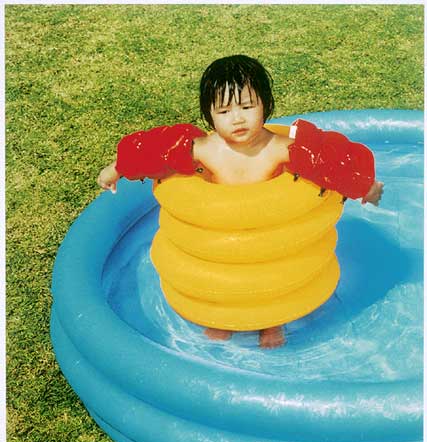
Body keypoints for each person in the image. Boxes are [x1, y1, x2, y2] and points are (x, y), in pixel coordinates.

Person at [98, 55, 383, 349]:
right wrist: (115, 169)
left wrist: (365, 187)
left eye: (247, 107)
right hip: (222, 235)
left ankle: (272, 322)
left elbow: (329, 161)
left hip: (268, 236)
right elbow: (153, 151)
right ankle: (221, 319)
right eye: (224, 111)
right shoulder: (204, 149)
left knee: (269, 277)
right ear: (209, 115)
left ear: (266, 105)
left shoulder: (279, 148)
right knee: (223, 276)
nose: (237, 119)